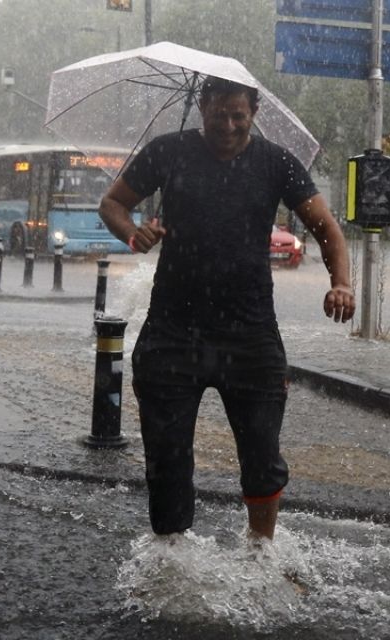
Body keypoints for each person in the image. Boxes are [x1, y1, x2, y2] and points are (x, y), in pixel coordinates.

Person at [97, 77, 354, 546]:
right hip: (172, 332)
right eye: (220, 114)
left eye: (240, 116)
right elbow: (112, 203)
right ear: (203, 108)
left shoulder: (276, 162)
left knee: (262, 455)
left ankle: (261, 552)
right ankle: (171, 555)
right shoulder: (167, 152)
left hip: (250, 332)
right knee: (168, 456)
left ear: (254, 112)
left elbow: (326, 228)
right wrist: (133, 234)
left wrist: (341, 283)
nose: (230, 126)